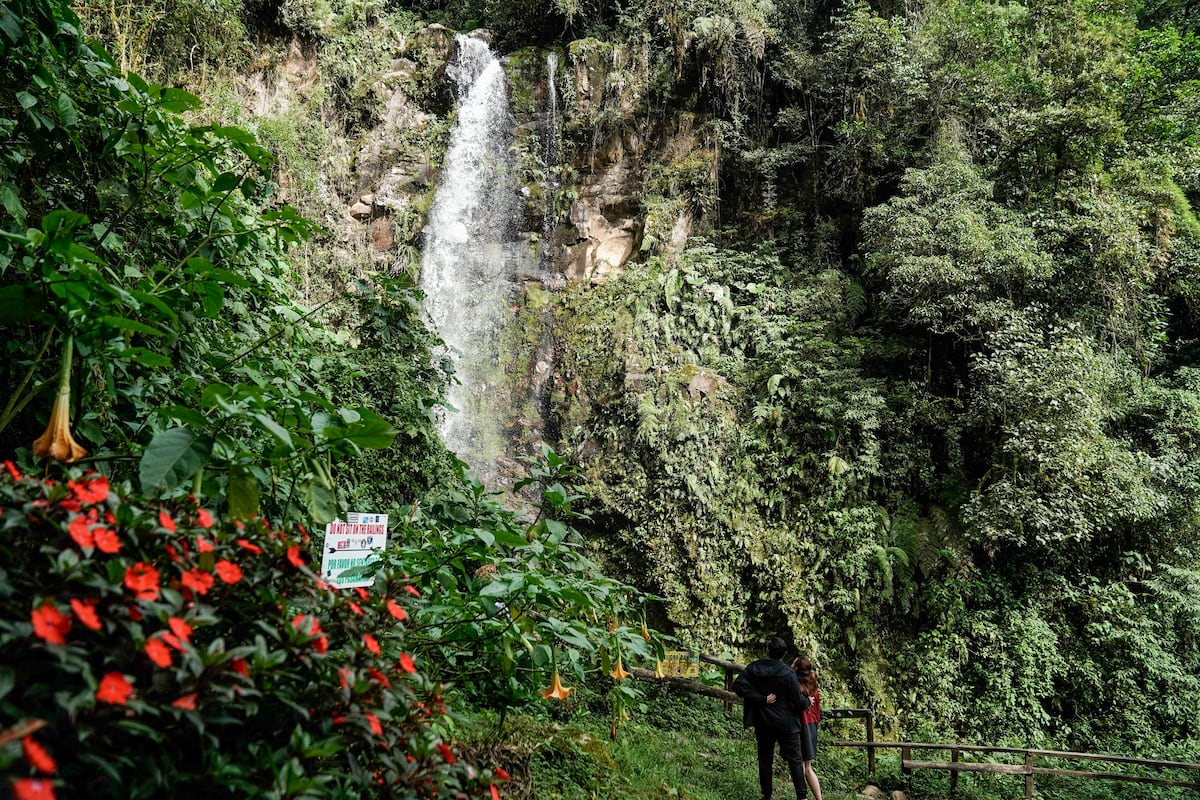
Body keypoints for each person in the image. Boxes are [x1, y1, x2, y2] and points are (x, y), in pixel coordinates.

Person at [732, 636, 812, 800]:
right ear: (784, 654)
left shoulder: (755, 667)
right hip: (787, 724)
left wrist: (761, 698)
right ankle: (802, 797)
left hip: (764, 721)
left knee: (765, 759)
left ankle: (766, 795)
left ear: (768, 651)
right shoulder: (788, 673)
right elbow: (797, 701)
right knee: (795, 760)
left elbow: (738, 686)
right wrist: (807, 702)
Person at [792, 656, 823, 800]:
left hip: (803, 727)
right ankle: (818, 798)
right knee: (808, 769)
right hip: (812, 726)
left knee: (803, 769)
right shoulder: (813, 685)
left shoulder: (797, 688)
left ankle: (803, 797)